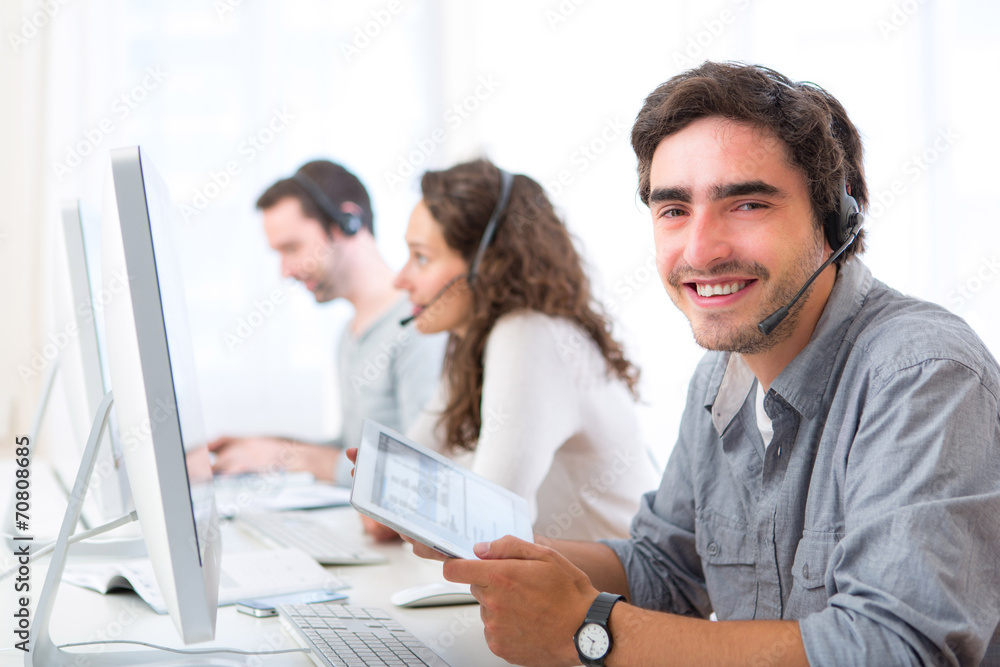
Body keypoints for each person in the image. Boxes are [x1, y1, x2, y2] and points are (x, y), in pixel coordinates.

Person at [398, 63, 1000, 665]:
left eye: (746, 204)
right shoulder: (723, 374)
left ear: (835, 221)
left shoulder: (922, 374)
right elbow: (665, 569)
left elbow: (895, 650)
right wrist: (496, 548)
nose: (700, 250)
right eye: (674, 210)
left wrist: (588, 633)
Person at [370, 158, 660, 542]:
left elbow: (486, 530)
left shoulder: (529, 335)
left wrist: (398, 497)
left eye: (421, 257)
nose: (400, 279)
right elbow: (396, 494)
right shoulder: (474, 340)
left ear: (484, 264)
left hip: (614, 595)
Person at [209, 160, 446, 486]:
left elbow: (423, 476)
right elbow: (353, 452)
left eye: (292, 248)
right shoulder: (351, 336)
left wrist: (290, 457)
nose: (286, 271)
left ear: (347, 222)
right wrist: (265, 449)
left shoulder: (421, 328)